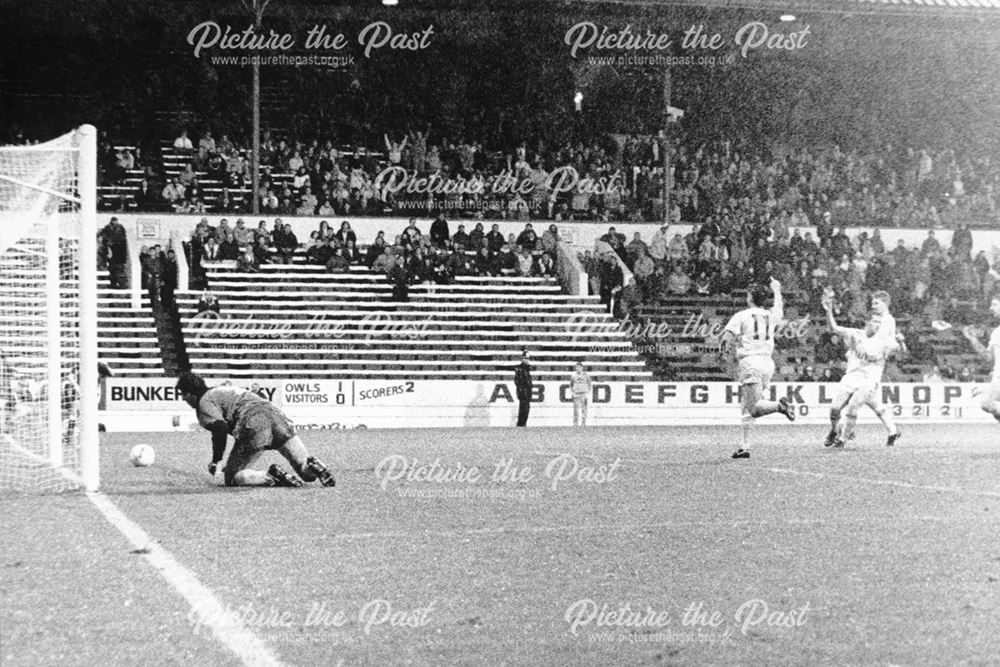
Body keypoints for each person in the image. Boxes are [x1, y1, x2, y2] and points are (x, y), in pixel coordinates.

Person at [175, 372, 336, 487]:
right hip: (275, 415)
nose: (183, 399)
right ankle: (317, 466)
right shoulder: (220, 391)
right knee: (306, 471)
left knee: (232, 478)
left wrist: (217, 459)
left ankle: (270, 476)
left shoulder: (204, 402)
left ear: (191, 394)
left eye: (183, 394)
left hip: (254, 422)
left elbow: (220, 428)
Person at [719, 278, 796, 459]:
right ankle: (745, 446)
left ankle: (780, 406)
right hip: (767, 363)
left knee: (753, 408)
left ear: (750, 298)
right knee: (746, 406)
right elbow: (780, 308)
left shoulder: (741, 315)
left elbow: (726, 338)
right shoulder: (771, 315)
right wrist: (777, 289)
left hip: (750, 361)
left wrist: (724, 356)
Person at [821, 301, 900, 448]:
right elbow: (834, 328)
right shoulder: (855, 334)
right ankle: (834, 431)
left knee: (853, 406)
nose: (877, 325)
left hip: (869, 380)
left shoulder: (882, 340)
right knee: (835, 409)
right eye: (875, 322)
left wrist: (898, 343)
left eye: (879, 322)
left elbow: (896, 347)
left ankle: (843, 439)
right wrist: (829, 310)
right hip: (852, 377)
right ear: (867, 322)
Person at [962, 294, 1000, 423]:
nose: (991, 308)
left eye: (995, 304)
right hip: (998, 378)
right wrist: (973, 339)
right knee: (986, 404)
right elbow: (988, 357)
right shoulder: (997, 332)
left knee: (986, 403)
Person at [514, 350, 532, 427]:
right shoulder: (520, 369)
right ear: (522, 359)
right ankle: (521, 425)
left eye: (528, 358)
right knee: (523, 411)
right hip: (523, 393)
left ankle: (523, 425)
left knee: (526, 410)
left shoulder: (527, 369)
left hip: (527, 393)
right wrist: (521, 390)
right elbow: (518, 381)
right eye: (526, 358)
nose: (527, 360)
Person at [570, 361, 592, 426]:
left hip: (583, 394)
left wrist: (587, 393)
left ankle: (583, 422)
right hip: (576, 394)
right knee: (576, 410)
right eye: (577, 367)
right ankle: (575, 423)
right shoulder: (573, 376)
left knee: (584, 409)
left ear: (582, 368)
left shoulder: (586, 376)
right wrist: (572, 392)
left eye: (579, 367)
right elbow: (571, 385)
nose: (578, 368)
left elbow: (589, 384)